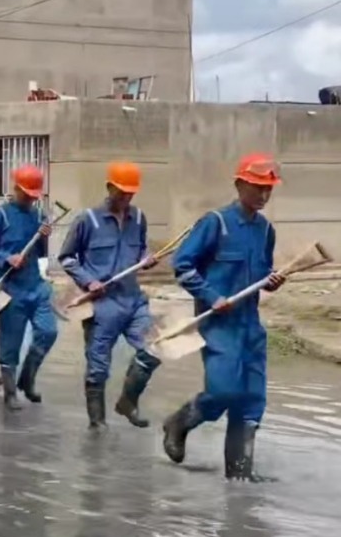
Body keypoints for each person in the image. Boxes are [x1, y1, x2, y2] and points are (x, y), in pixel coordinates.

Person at [163, 152, 285, 481]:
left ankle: (239, 476)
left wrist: (272, 280)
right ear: (239, 184)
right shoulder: (214, 223)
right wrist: (211, 296)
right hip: (218, 327)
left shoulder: (265, 230)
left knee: (251, 401)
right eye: (258, 187)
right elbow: (182, 266)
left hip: (250, 326)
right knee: (224, 390)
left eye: (268, 189)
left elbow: (261, 273)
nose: (263, 195)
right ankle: (179, 422)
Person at [58, 162, 161, 431]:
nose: (126, 198)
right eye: (121, 192)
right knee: (98, 366)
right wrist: (87, 281)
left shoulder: (138, 218)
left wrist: (144, 259)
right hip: (101, 304)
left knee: (153, 349)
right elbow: (66, 258)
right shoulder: (87, 220)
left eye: (131, 193)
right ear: (109, 187)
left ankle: (128, 401)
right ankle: (97, 423)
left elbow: (140, 249)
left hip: (133, 299)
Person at [0, 166, 56, 411]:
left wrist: (44, 237)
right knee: (11, 342)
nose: (31, 198)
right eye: (27, 193)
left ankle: (27, 378)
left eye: (35, 195)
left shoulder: (37, 215)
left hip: (36, 285)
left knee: (48, 332)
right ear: (16, 189)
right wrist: (5, 258)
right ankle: (10, 392)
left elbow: (40, 253)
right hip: (10, 289)